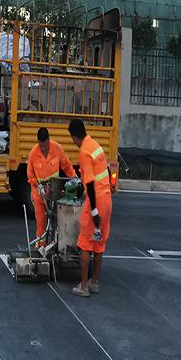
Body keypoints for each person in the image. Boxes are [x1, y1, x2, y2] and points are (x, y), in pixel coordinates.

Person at [68, 118, 112, 297]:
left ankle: (83, 286)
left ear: (73, 136)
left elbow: (91, 184)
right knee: (99, 243)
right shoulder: (95, 145)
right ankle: (94, 282)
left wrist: (93, 210)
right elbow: (105, 173)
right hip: (107, 199)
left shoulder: (84, 152)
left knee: (85, 244)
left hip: (97, 201)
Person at [26, 127, 76, 248]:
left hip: (53, 193)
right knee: (41, 224)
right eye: (40, 146)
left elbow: (67, 167)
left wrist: (75, 179)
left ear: (48, 140)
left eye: (45, 145)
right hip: (39, 195)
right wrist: (38, 186)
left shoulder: (57, 149)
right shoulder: (33, 153)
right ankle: (41, 248)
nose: (43, 148)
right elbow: (30, 176)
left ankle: (54, 247)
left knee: (55, 222)